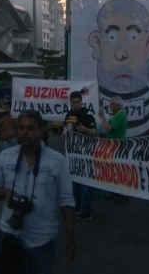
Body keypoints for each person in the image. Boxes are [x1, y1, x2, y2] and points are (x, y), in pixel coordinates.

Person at [0, 110, 76, 274]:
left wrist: (70, 237)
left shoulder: (57, 161)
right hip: (9, 239)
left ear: (41, 129)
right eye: (21, 128)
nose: (25, 133)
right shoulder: (6, 157)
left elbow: (67, 201)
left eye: (30, 128)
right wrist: (6, 193)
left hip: (42, 243)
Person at [87, 0, 149, 137]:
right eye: (112, 37)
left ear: (148, 43)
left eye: (133, 37)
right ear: (97, 43)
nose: (122, 54)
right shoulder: (92, 96)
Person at [62, 91, 97, 220]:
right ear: (70, 102)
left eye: (78, 102)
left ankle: (87, 210)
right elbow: (65, 129)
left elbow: (94, 133)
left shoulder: (87, 114)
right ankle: (76, 206)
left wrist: (85, 130)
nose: (76, 104)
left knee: (86, 184)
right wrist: (64, 133)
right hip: (73, 154)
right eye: (74, 102)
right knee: (74, 182)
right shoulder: (69, 114)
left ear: (81, 102)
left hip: (86, 154)